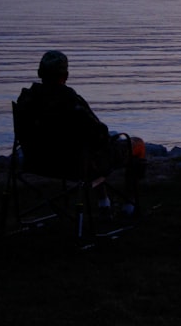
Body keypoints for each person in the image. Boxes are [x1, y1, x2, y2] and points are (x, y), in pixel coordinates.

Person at [16, 50, 145, 215]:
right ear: (66, 75)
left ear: (39, 73)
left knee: (88, 151)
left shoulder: (26, 101)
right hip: (76, 166)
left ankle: (104, 203)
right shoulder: (71, 103)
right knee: (137, 144)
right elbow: (100, 135)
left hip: (37, 162)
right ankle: (129, 206)